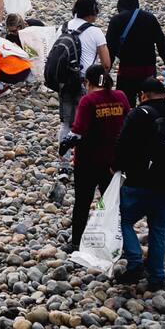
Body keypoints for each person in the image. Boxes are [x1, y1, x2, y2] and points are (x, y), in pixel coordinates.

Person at [113, 78, 165, 288]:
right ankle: (157, 277)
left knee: (122, 220)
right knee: (159, 229)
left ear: (144, 95)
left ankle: (135, 262)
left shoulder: (137, 115)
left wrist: (116, 168)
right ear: (163, 94)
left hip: (140, 180)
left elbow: (122, 146)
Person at [60, 64, 129, 251]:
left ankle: (76, 242)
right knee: (111, 203)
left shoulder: (88, 101)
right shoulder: (121, 96)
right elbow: (127, 123)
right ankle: (114, 241)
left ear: (87, 82)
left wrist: (65, 144)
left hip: (88, 160)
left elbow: (78, 131)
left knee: (82, 203)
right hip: (113, 161)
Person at [56, 0, 111, 158]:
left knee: (66, 123)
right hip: (86, 83)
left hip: (65, 82)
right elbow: (106, 64)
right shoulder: (95, 32)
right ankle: (83, 158)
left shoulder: (63, 28)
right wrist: (101, 84)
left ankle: (64, 165)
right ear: (92, 12)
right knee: (87, 123)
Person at [105, 0, 165, 106]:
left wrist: (106, 72)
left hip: (127, 71)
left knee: (125, 106)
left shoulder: (116, 20)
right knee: (149, 106)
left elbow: (110, 49)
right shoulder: (150, 18)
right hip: (148, 70)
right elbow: (161, 43)